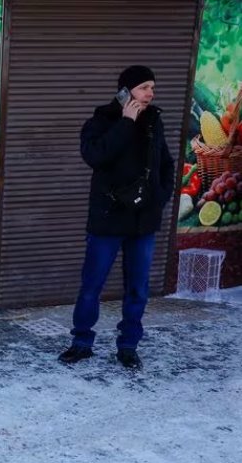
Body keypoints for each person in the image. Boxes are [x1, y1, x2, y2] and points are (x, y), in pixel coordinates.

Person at [59, 65, 174, 371]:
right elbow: (95, 156)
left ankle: (128, 345)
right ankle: (82, 342)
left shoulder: (154, 121)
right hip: (108, 219)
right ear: (125, 91)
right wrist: (125, 123)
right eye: (144, 87)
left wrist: (160, 197)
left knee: (138, 287)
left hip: (143, 222)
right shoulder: (102, 120)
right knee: (92, 285)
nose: (151, 93)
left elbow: (166, 163)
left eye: (152, 87)